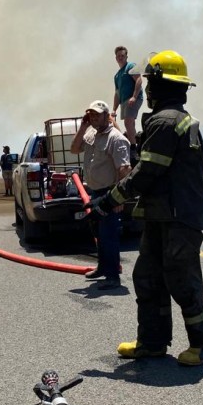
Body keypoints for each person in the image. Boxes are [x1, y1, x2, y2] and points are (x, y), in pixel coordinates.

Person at [85, 50, 203, 366]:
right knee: (148, 276)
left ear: (161, 86)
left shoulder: (166, 121)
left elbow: (145, 173)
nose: (146, 90)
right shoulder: (170, 121)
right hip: (165, 214)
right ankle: (152, 342)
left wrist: (108, 202)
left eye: (149, 82)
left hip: (177, 216)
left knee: (182, 278)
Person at [70, 100, 132, 291]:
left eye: (98, 114)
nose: (95, 117)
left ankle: (112, 277)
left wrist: (119, 197)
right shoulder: (90, 133)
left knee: (109, 234)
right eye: (91, 115)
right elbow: (74, 149)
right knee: (98, 232)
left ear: (107, 115)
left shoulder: (117, 138)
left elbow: (124, 169)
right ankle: (102, 268)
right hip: (94, 192)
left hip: (109, 193)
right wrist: (82, 127)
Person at [112, 46, 144, 146]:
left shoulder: (130, 66)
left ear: (126, 56)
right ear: (116, 58)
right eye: (118, 56)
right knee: (130, 123)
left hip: (134, 98)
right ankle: (135, 143)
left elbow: (139, 80)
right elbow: (117, 93)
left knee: (128, 122)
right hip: (124, 101)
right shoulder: (117, 76)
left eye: (122, 55)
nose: (120, 58)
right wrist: (114, 109)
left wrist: (134, 96)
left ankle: (133, 148)